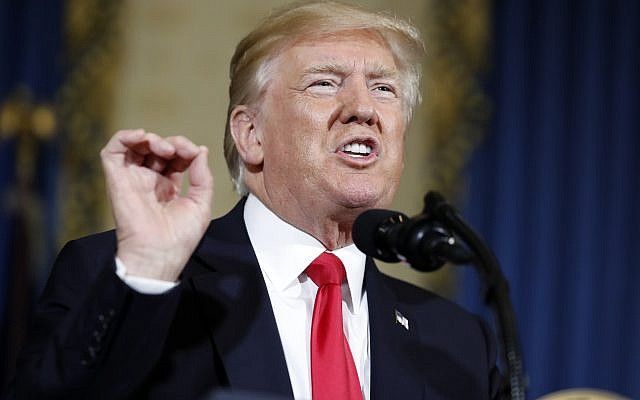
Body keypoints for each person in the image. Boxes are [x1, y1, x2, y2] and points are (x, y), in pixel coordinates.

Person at [8, 2, 501, 399]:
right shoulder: (131, 282)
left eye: (384, 88)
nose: (363, 109)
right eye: (325, 83)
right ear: (250, 134)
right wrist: (146, 271)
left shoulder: (457, 343)